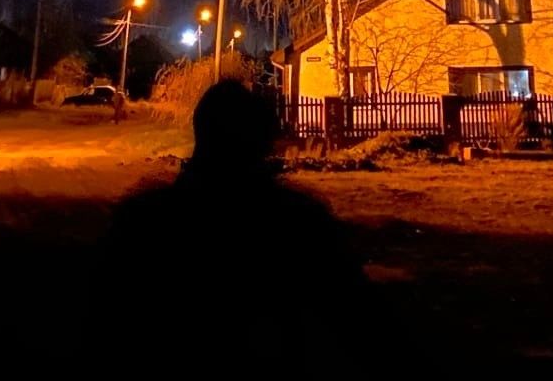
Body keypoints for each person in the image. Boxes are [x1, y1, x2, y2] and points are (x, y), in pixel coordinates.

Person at [103, 80, 368, 336]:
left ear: (200, 134)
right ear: (265, 143)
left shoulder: (144, 220)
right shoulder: (297, 224)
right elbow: (356, 315)